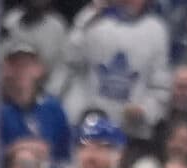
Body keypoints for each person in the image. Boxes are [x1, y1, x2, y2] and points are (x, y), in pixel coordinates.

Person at [63, 0, 168, 139]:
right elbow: (70, 58)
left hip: (130, 133)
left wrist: (145, 111)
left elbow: (161, 88)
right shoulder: (94, 20)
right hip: (86, 125)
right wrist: (91, 12)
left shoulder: (156, 30)